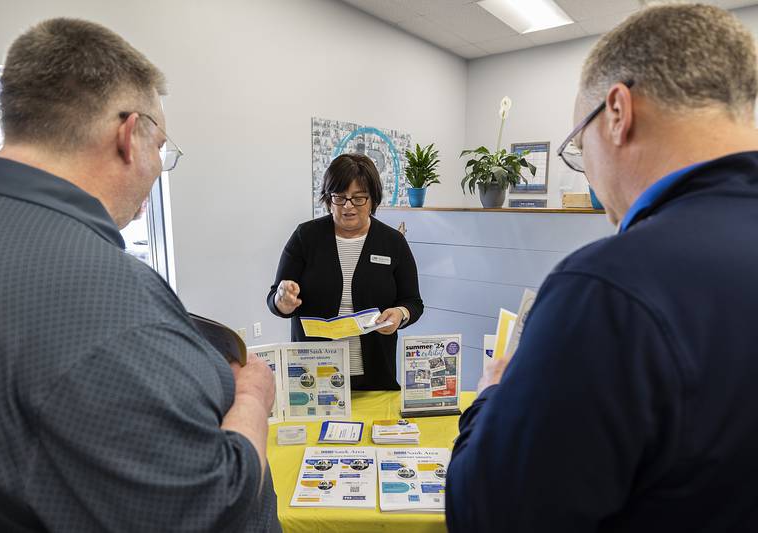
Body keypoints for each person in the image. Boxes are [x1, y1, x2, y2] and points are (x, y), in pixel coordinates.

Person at [0, 18, 280, 532]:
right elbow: (218, 505)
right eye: (161, 149)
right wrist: (252, 398)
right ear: (130, 136)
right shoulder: (111, 307)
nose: (158, 166)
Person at [447, 4, 758, 532]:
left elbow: (488, 516)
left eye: (577, 148)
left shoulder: (607, 287)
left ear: (617, 112)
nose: (587, 173)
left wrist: (493, 395)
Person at [268, 153, 423, 390]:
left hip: (373, 373)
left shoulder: (392, 243)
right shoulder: (305, 237)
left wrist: (400, 314)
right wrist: (283, 302)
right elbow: (274, 298)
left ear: (373, 200)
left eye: (359, 198)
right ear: (329, 199)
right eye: (340, 197)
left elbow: (413, 302)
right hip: (313, 374)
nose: (348, 206)